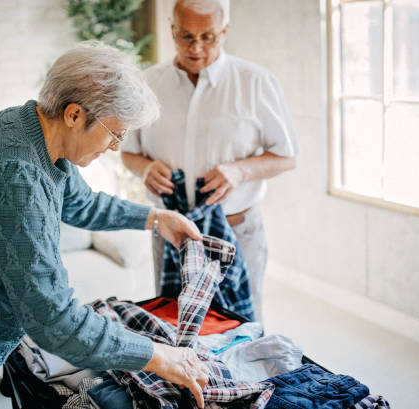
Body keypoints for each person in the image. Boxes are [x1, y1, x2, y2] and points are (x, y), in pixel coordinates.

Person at [0, 41, 210, 409]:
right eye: (114, 133)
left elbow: (82, 204)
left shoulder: (31, 128)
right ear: (74, 114)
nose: (116, 146)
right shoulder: (15, 176)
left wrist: (154, 218)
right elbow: (54, 320)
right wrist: (158, 356)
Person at [121, 0, 298, 324]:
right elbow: (128, 152)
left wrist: (240, 170)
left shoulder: (256, 81)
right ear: (172, 29)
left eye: (208, 37)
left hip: (238, 232)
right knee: (173, 325)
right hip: (171, 234)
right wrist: (144, 168)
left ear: (225, 31)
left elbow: (287, 156)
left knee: (242, 329)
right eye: (185, 36)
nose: (196, 47)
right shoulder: (147, 84)